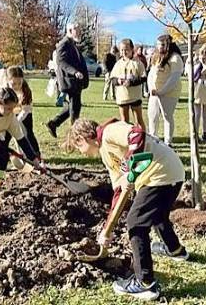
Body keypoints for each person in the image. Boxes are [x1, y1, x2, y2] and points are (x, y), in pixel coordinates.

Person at [65, 118, 188, 301]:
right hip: (171, 173)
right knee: (157, 215)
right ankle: (175, 250)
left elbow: (137, 134)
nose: (82, 153)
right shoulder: (107, 155)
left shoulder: (109, 132)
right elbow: (118, 191)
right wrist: (107, 230)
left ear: (82, 139)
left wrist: (131, 158)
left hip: (160, 174)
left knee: (136, 222)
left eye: (79, 148)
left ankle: (145, 283)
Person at [46, 23, 89, 138]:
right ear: (70, 30)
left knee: (73, 106)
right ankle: (75, 136)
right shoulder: (63, 43)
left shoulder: (72, 43)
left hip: (75, 82)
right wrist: (74, 72)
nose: (79, 32)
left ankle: (53, 123)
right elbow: (61, 62)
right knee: (75, 109)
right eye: (77, 30)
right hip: (69, 81)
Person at [147, 35, 184, 146]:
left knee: (167, 116)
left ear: (169, 44)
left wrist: (162, 91)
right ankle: (153, 138)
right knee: (152, 115)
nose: (160, 47)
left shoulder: (175, 58)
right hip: (155, 93)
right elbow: (151, 74)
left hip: (169, 93)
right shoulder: (156, 57)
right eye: (158, 44)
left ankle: (168, 141)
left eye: (162, 44)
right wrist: (151, 89)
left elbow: (174, 78)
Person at [0, 66, 40, 157]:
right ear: (8, 81)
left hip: (24, 111)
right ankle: (3, 155)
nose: (16, 86)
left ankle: (36, 154)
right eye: (13, 84)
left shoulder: (26, 91)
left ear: (23, 80)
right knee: (6, 135)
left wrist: (17, 121)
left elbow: (25, 110)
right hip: (9, 112)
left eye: (19, 83)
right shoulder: (4, 90)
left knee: (28, 133)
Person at [110, 38, 147, 130]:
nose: (124, 52)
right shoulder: (118, 64)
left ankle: (142, 137)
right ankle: (127, 140)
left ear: (132, 49)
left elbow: (143, 78)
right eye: (122, 50)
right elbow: (113, 79)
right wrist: (118, 81)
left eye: (126, 49)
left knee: (138, 120)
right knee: (124, 121)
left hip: (135, 96)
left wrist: (131, 82)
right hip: (122, 97)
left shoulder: (137, 63)